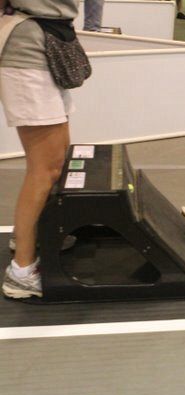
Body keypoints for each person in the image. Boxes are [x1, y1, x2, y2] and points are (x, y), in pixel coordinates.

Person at [0, 0, 79, 298]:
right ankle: (21, 271)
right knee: (44, 169)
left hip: (50, 42)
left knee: (57, 162)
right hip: (27, 49)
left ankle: (30, 237)